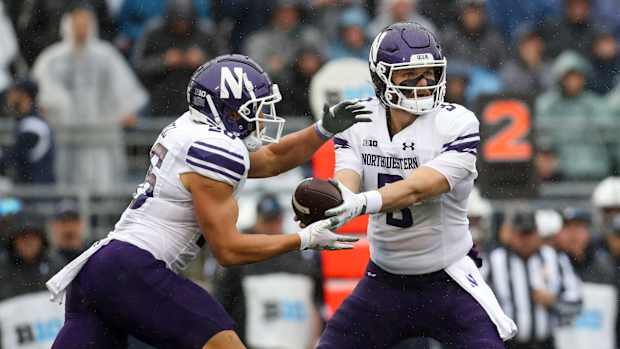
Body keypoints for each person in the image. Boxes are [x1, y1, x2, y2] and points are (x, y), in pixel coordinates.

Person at [47, 54, 370, 349]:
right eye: (254, 108)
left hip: (99, 273)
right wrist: (302, 239)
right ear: (228, 110)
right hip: (133, 270)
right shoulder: (215, 151)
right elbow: (228, 250)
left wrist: (323, 129)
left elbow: (270, 158)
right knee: (224, 344)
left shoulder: (193, 131)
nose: (262, 117)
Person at [313, 22, 517, 349]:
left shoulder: (456, 123)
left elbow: (419, 188)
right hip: (384, 282)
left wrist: (360, 203)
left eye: (429, 73)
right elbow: (346, 181)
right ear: (381, 78)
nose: (423, 83)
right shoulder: (358, 119)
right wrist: (328, 207)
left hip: (447, 280)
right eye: (410, 74)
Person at [32, 4, 148, 193]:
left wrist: (126, 111)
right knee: (66, 186)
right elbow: (42, 92)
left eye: (85, 24)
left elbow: (124, 90)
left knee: (102, 186)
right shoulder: (53, 58)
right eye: (77, 24)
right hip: (66, 137)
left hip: (99, 137)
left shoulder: (106, 56)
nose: (81, 29)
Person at [213, 193, 323, 349]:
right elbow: (222, 299)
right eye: (267, 222)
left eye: (275, 221)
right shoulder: (240, 255)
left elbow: (315, 298)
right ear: (257, 221)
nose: (271, 227)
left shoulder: (296, 254)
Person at [487, 211, 582, 349]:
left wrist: (553, 302)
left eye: (529, 233)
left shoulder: (554, 258)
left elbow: (577, 303)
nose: (525, 239)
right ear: (511, 234)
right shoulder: (494, 261)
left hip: (545, 343)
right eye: (521, 234)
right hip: (508, 345)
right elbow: (479, 307)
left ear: (537, 233)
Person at [133, 0, 220, 117]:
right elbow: (138, 66)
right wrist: (163, 61)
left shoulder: (206, 32)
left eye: (185, 22)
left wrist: (203, 63)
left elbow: (225, 68)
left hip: (200, 102)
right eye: (177, 22)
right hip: (162, 100)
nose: (181, 26)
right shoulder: (154, 32)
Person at [0, 212, 64, 301]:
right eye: (23, 237)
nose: (28, 242)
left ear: (42, 240)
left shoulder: (56, 265)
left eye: (33, 237)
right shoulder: (2, 268)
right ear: (13, 241)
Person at [0, 80, 55, 184]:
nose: (9, 97)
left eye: (13, 92)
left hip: (39, 197)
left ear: (25, 96)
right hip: (30, 196)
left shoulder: (33, 126)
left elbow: (10, 160)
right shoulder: (27, 123)